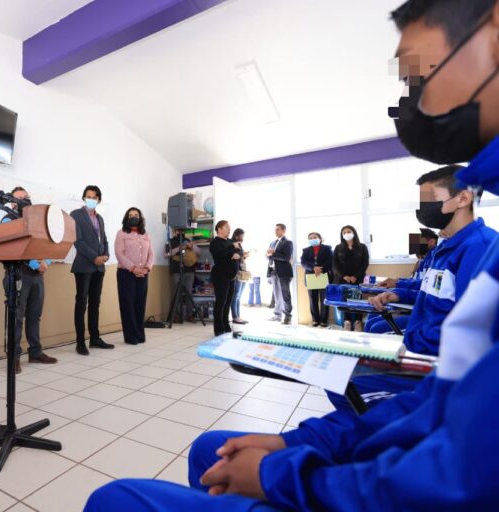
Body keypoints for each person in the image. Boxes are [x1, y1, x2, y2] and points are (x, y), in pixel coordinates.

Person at [84, 2, 499, 509]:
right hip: (421, 408)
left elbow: (454, 476)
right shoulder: (456, 256)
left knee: (116, 499)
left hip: (401, 464)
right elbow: (441, 405)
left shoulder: (484, 250)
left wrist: (284, 474)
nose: (411, 98)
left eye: (420, 71)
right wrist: (297, 445)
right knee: (209, 450)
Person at [325, 165, 497, 413]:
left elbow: (472, 331)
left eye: (430, 200)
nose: (423, 208)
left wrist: (407, 350)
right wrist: (398, 293)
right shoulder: (444, 248)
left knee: (344, 382)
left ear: (463, 198)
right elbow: (432, 295)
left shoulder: (479, 247)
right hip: (417, 346)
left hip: (436, 365)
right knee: (336, 373)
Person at [1, 187, 58, 374]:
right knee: (16, 318)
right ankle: (14, 358)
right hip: (18, 274)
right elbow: (13, 247)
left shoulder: (37, 221)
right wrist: (35, 263)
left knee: (35, 316)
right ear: (11, 202)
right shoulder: (8, 220)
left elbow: (47, 243)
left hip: (38, 276)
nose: (22, 201)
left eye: (26, 198)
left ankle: (35, 352)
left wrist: (46, 262)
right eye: (18, 198)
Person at [70, 185, 114, 355]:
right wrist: (94, 257)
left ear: (98, 200)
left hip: (99, 266)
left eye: (94, 197)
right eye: (88, 196)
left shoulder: (100, 218)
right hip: (84, 265)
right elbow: (78, 241)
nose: (91, 199)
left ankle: (94, 338)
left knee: (95, 303)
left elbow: (104, 240)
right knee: (82, 303)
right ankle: (80, 342)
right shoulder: (76, 215)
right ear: (83, 198)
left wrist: (106, 254)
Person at [115, 207, 154, 344]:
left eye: (136, 214)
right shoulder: (121, 233)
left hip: (143, 273)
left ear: (140, 217)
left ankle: (139, 334)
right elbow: (119, 253)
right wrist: (133, 268)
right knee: (128, 305)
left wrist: (147, 268)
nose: (133, 217)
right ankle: (130, 336)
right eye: (130, 215)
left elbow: (151, 254)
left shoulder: (146, 234)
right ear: (126, 218)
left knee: (140, 304)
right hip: (126, 273)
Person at [332, 225, 369, 331]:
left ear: (354, 233)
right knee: (345, 300)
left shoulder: (362, 247)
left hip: (357, 278)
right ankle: (347, 322)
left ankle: (358, 322)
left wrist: (355, 276)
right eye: (344, 232)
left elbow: (365, 263)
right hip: (342, 279)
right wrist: (344, 276)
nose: (346, 234)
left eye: (349, 231)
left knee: (357, 300)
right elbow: (335, 265)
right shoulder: (338, 247)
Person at [209, 220, 242, 335]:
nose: (229, 229)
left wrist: (238, 254)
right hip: (220, 276)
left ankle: (226, 325)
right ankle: (218, 329)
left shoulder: (230, 241)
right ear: (219, 228)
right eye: (227, 227)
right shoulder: (215, 242)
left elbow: (239, 251)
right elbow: (219, 254)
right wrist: (231, 250)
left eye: (229, 227)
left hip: (231, 276)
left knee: (228, 302)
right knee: (220, 302)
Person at [300, 232, 333, 327]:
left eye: (315, 237)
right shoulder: (306, 250)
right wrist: (313, 268)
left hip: (324, 275)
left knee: (324, 299)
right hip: (311, 276)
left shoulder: (327, 248)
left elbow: (330, 260)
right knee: (312, 299)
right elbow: (303, 262)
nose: (312, 239)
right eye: (310, 238)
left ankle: (323, 321)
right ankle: (315, 319)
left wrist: (320, 269)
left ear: (320, 238)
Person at [167, 229, 201, 321]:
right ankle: (176, 315)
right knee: (176, 293)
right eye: (178, 230)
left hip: (189, 270)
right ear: (174, 231)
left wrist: (192, 246)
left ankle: (189, 315)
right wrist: (179, 248)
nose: (180, 232)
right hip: (177, 270)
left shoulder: (189, 240)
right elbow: (167, 253)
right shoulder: (170, 241)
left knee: (189, 293)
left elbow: (199, 252)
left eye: (182, 230)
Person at [266, 224, 293, 325]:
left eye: (277, 229)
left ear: (283, 230)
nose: (275, 231)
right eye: (275, 229)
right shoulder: (273, 242)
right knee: (277, 295)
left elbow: (286, 257)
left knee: (285, 295)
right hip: (273, 271)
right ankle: (277, 315)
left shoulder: (288, 242)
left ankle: (288, 316)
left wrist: (273, 254)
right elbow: (270, 256)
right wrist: (268, 254)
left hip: (284, 272)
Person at [230, 229, 250, 325]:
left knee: (239, 297)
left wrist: (244, 255)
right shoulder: (233, 244)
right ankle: (235, 317)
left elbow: (240, 256)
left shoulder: (239, 244)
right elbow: (235, 256)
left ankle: (238, 316)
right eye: (241, 236)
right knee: (236, 296)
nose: (242, 238)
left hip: (242, 272)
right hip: (237, 273)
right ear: (236, 235)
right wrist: (242, 254)